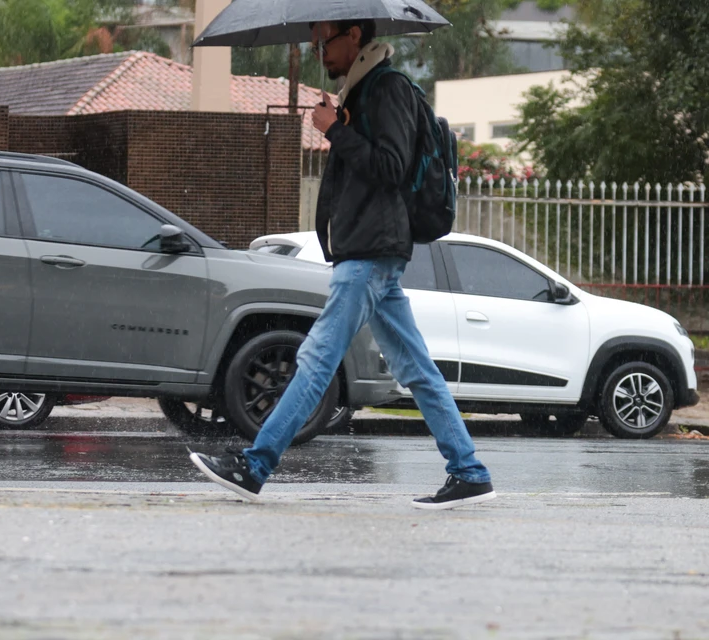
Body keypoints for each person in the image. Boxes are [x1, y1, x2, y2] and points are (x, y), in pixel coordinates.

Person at [188, 18, 494, 510]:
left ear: (354, 35)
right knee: (416, 369)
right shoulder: (362, 91)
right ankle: (470, 472)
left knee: (315, 360)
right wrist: (343, 123)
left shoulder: (387, 88)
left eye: (323, 41)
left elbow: (391, 167)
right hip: (370, 251)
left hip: (372, 251)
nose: (318, 52)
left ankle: (255, 464)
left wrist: (336, 131)